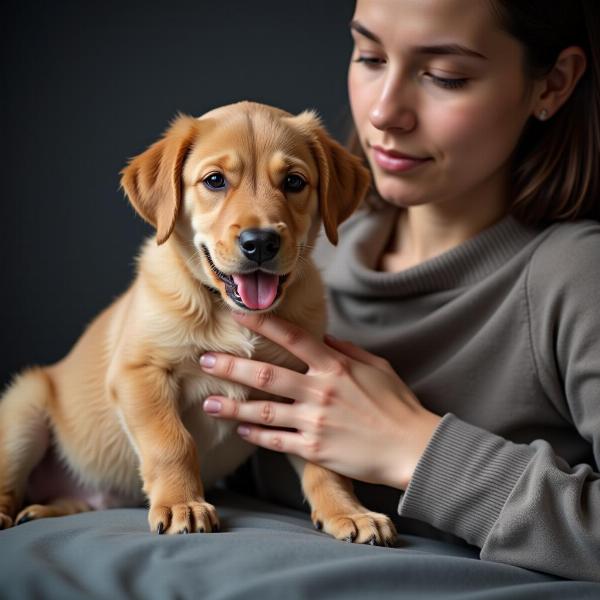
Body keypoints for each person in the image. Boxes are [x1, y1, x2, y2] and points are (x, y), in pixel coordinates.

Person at [198, 0, 600, 582]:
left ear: (553, 83)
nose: (384, 113)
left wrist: (416, 450)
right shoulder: (297, 256)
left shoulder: (576, 275)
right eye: (369, 56)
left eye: (445, 76)